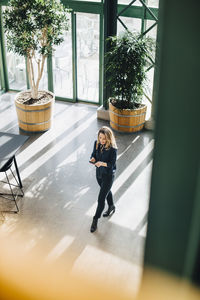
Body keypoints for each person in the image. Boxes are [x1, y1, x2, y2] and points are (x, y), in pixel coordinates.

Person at [89, 126, 117, 233]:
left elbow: (111, 164)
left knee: (101, 199)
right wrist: (93, 158)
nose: (102, 141)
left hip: (108, 176)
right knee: (106, 191)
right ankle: (111, 206)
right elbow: (94, 154)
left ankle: (95, 219)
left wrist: (102, 163)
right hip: (99, 174)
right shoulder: (96, 143)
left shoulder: (113, 149)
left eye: (104, 139)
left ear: (109, 138)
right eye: (100, 138)